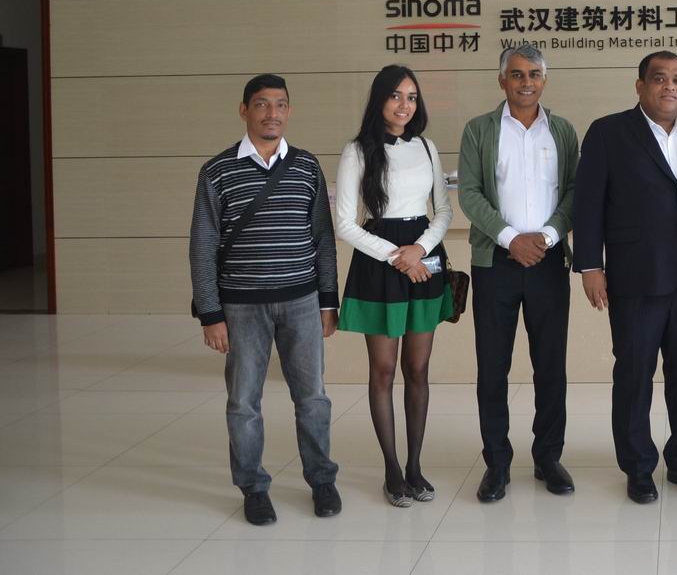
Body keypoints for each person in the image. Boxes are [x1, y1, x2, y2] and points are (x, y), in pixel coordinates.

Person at [573, 51, 677, 504]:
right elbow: (588, 204)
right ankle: (638, 466)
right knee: (634, 376)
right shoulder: (608, 133)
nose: (670, 86)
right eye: (659, 78)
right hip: (635, 278)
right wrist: (590, 266)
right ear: (640, 85)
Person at [189, 74, 341, 525]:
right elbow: (202, 245)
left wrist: (328, 301)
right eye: (261, 104)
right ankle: (253, 488)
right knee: (243, 402)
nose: (271, 113)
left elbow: (323, 239)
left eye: (280, 104)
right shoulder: (217, 171)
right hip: (241, 307)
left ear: (289, 111)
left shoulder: (307, 166)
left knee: (313, 397)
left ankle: (322, 480)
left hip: (302, 301)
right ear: (244, 110)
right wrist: (210, 313)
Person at [458, 44, 578, 502]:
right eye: (516, 74)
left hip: (548, 263)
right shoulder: (480, 130)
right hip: (496, 264)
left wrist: (544, 237)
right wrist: (512, 239)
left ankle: (548, 457)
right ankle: (497, 463)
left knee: (550, 366)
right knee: (493, 366)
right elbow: (469, 193)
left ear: (544, 80)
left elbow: (575, 191)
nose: (526, 82)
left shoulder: (562, 130)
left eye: (533, 74)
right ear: (502, 80)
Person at [335, 66, 454, 507]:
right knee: (383, 370)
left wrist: (419, 249)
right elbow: (344, 223)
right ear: (379, 99)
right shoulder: (357, 151)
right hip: (379, 261)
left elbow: (443, 210)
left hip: (422, 259)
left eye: (412, 97)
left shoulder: (426, 146)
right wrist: (397, 256)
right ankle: (391, 471)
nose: (405, 105)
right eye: (396, 96)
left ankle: (415, 467)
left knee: (418, 370)